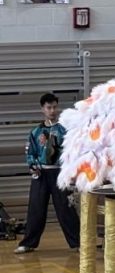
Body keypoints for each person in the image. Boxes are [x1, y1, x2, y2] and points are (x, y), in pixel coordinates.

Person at [16, 93, 80, 253]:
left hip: (60, 174)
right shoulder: (35, 132)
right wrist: (33, 166)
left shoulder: (64, 129)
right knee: (36, 208)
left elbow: (72, 150)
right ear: (42, 109)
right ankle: (28, 243)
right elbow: (30, 152)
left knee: (66, 209)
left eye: (54, 107)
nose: (52, 110)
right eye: (48, 107)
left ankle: (78, 242)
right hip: (41, 174)